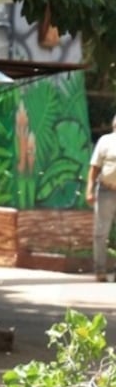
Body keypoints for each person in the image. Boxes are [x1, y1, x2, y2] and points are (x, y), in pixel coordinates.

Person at [86, 113, 116, 282]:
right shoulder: (105, 141)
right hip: (106, 190)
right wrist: (89, 190)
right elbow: (94, 167)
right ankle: (100, 271)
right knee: (101, 233)